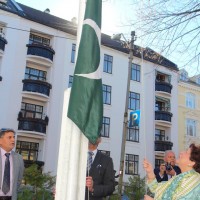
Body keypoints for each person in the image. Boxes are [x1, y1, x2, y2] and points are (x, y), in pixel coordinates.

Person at [0, 128, 24, 200]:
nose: (13, 140)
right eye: (9, 137)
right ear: (0, 140)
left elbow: (19, 180)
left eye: (14, 137)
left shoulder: (19, 158)